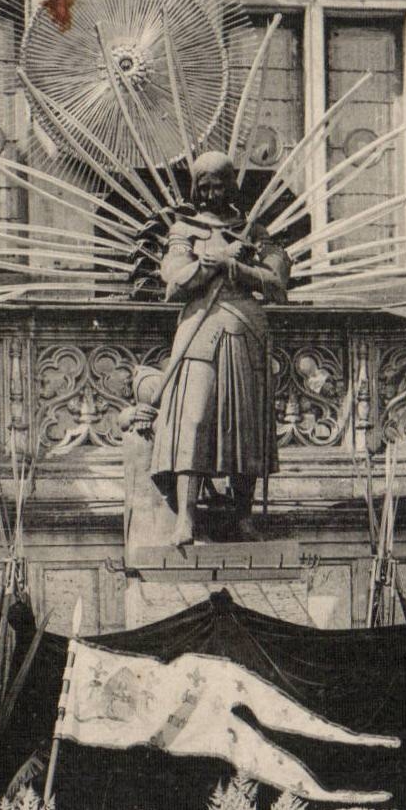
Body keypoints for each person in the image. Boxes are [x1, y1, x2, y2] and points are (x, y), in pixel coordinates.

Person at [150, 150, 290, 547]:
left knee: (245, 428)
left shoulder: (255, 231)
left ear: (232, 186)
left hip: (245, 331)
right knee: (193, 421)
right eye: (204, 185)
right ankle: (186, 522)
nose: (211, 193)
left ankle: (243, 517)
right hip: (200, 331)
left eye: (218, 184)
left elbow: (278, 284)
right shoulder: (184, 229)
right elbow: (174, 281)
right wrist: (217, 259)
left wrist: (241, 268)